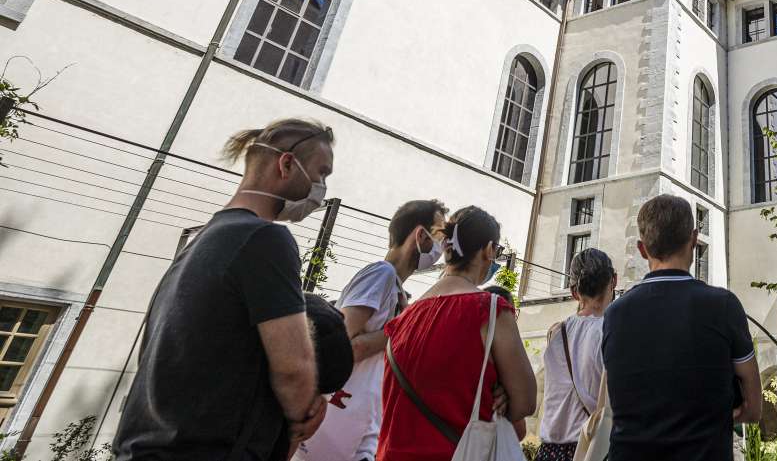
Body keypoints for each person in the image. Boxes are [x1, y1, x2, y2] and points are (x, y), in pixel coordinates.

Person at [113, 118, 335, 461]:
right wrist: (303, 415)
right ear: (287, 164)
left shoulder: (205, 239)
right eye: (321, 173)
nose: (321, 188)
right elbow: (293, 368)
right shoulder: (265, 238)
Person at [602, 194, 762, 461]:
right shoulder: (723, 306)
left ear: (642, 249)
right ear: (694, 239)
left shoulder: (614, 315)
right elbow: (753, 408)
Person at [376, 205, 537, 461]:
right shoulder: (491, 310)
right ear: (489, 250)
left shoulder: (403, 318)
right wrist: (502, 392)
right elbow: (525, 402)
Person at [297, 199, 449, 461]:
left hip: (358, 422)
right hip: (337, 421)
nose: (442, 247)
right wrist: (402, 327)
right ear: (420, 235)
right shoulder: (381, 274)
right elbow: (342, 345)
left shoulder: (396, 289)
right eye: (439, 235)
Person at [537, 248, 617, 461]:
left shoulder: (556, 333)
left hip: (549, 451)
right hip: (590, 448)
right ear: (614, 281)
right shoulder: (611, 334)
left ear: (574, 292)